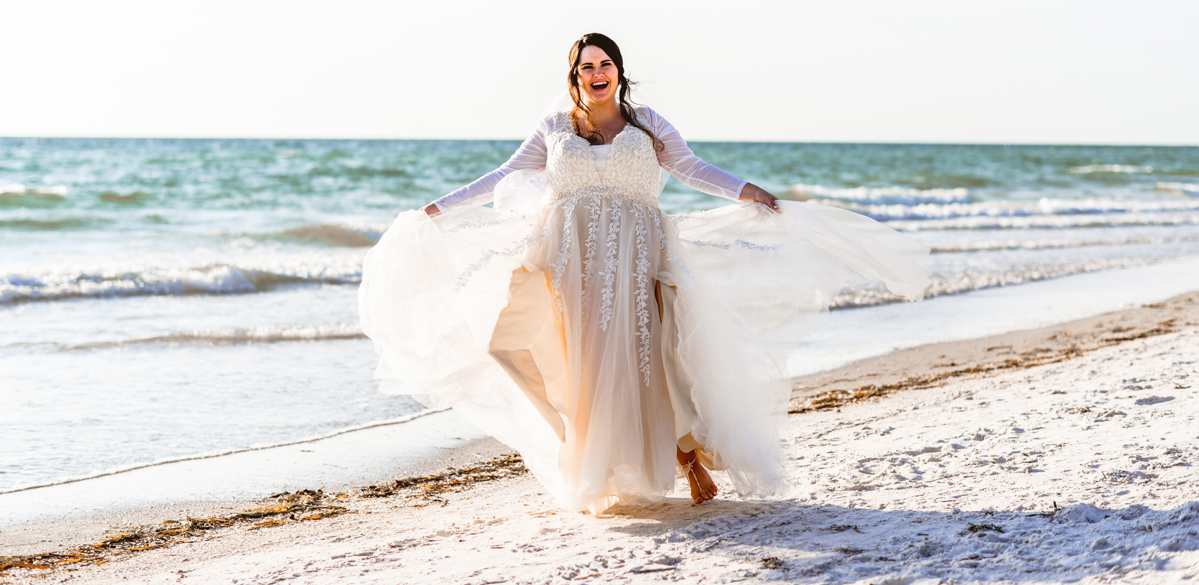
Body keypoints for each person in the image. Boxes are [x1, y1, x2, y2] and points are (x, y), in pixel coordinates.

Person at [359, 33, 929, 514]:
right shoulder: (553, 127)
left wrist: (748, 190)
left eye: (605, 65)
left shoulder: (648, 123)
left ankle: (689, 464)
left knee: (657, 359)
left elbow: (692, 168)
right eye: (587, 67)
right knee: (573, 363)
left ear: (619, 74)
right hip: (574, 264)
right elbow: (499, 177)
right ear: (574, 77)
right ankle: (597, 467)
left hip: (640, 256)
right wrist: (436, 209)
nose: (597, 73)